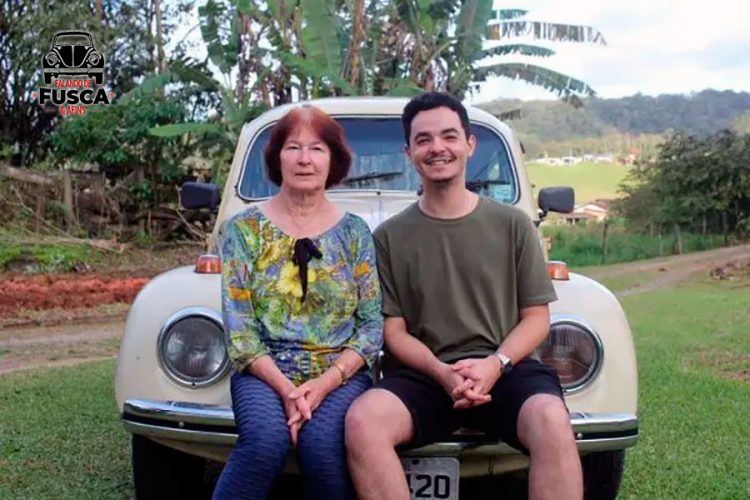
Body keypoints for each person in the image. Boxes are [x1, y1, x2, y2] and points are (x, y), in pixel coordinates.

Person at [345, 92, 583, 500]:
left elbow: (536, 317)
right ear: (409, 153)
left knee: (551, 418)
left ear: (469, 145)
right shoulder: (388, 238)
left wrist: (494, 364)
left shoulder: (513, 225)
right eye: (423, 140)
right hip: (426, 374)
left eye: (449, 136)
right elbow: (394, 331)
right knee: (363, 421)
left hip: (506, 369)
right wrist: (443, 373)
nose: (437, 148)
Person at [213, 105, 383, 500]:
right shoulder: (243, 230)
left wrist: (322, 385)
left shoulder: (355, 233)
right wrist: (289, 390)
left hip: (339, 373)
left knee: (322, 447)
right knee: (264, 442)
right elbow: (240, 330)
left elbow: (372, 325)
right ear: (277, 158)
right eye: (293, 147)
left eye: (317, 148)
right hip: (263, 371)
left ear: (333, 160)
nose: (304, 159)